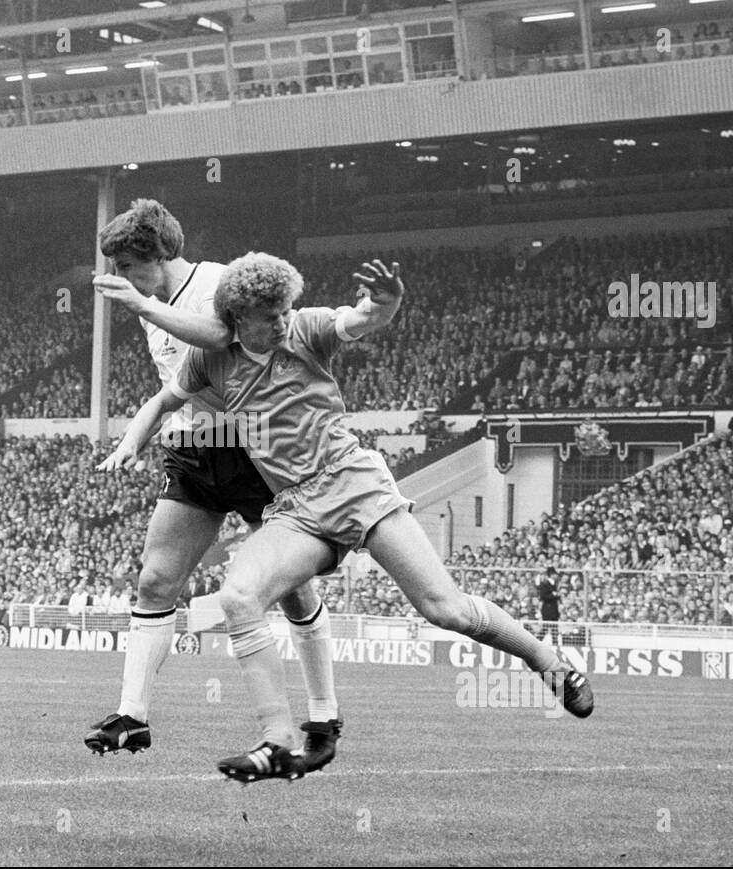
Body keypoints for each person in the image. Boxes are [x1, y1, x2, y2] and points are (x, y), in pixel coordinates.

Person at [101, 253, 593, 784]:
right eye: (271, 315)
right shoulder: (208, 359)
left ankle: (547, 660)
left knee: (444, 610)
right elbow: (162, 400)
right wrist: (132, 441)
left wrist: (385, 302)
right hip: (295, 506)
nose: (283, 320)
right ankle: (280, 742)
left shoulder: (308, 328)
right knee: (239, 597)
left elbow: (360, 319)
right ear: (238, 319)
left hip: (355, 486)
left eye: (286, 308)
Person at [85, 200, 341, 772]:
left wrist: (144, 304)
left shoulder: (217, 283)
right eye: (120, 268)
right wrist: (134, 440)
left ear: (162, 254)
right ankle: (133, 715)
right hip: (195, 451)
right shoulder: (148, 299)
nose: (124, 277)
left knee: (294, 589)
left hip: (253, 450)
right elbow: (171, 387)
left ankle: (322, 713)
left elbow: (220, 336)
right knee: (155, 580)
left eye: (130, 264)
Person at [536, 566, 560, 642]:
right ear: (551, 574)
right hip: (547, 609)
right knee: (545, 628)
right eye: (555, 574)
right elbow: (543, 596)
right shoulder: (545, 584)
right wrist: (553, 595)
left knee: (554, 630)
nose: (556, 576)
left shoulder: (554, 584)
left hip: (554, 610)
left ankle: (555, 644)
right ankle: (537, 642)